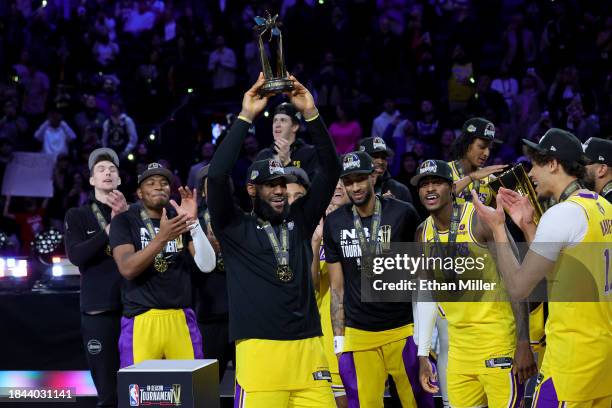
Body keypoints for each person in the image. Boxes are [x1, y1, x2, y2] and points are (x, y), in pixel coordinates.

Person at [207, 73, 340, 407]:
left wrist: (311, 113)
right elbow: (218, 174)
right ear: (253, 189)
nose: (280, 191)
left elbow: (332, 168)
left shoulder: (300, 219)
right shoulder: (233, 227)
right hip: (259, 354)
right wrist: (245, 117)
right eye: (271, 185)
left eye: (283, 184)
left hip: (309, 352)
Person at [473, 128, 612, 407]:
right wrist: (528, 225)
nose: (531, 173)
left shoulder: (562, 214)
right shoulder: (602, 206)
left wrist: (498, 230)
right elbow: (559, 270)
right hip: (602, 358)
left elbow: (519, 286)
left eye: (536, 164)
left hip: (570, 364)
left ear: (553, 163)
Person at [411, 160, 536, 408]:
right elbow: (425, 295)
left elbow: (517, 282)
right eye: (424, 185)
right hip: (458, 351)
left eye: (436, 182)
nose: (429, 189)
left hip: (498, 344)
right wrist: (423, 353)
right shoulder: (421, 233)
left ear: (452, 187)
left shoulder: (481, 220)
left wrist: (524, 343)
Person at [324, 150, 432, 407]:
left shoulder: (403, 213)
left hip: (403, 329)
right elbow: (336, 288)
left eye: (360, 178)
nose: (355, 186)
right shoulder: (335, 223)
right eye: (348, 181)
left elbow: (422, 276)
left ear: (373, 176)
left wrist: (426, 339)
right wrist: (339, 342)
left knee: (418, 403)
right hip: (359, 334)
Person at [110, 162, 216, 367]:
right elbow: (128, 269)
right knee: (140, 394)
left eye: (164, 183)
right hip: (142, 319)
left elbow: (208, 265)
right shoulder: (124, 221)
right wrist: (161, 239)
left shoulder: (180, 219)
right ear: (139, 192)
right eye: (151, 183)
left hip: (180, 317)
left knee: (190, 392)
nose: (159, 186)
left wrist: (193, 223)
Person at [64, 148, 128, 407]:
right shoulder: (77, 215)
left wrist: (123, 220)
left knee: (141, 387)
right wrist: (109, 230)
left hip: (134, 310)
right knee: (108, 392)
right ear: (91, 181)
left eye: (112, 169)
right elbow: (77, 256)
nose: (108, 172)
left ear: (120, 179)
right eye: (100, 169)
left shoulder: (134, 213)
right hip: (98, 311)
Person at [193, 164, 234, 381]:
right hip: (209, 317)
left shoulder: (242, 220)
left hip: (242, 317)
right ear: (202, 192)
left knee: (250, 384)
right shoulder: (193, 224)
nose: (218, 189)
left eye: (223, 184)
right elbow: (192, 274)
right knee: (206, 388)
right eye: (212, 185)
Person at [312, 180, 350, 407]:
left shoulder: (364, 226)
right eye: (332, 182)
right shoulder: (314, 228)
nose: (337, 187)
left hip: (361, 332)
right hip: (325, 337)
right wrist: (316, 241)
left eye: (344, 182)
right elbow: (312, 286)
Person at [255, 102, 320, 181]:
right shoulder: (264, 155)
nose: (277, 124)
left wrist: (287, 163)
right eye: (275, 120)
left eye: (283, 120)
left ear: (295, 127)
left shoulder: (310, 153)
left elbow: (311, 187)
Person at [449, 118, 506, 205]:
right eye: (482, 147)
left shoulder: (491, 180)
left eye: (489, 148)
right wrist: (472, 177)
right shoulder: (445, 171)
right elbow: (441, 197)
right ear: (466, 144)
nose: (486, 153)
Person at [358, 136, 413, 203]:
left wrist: (394, 207)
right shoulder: (350, 188)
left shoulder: (400, 190)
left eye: (383, 157)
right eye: (375, 156)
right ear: (362, 159)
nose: (381, 162)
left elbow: (409, 213)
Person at [582, 137, 612, 203]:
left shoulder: (608, 204)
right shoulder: (604, 199)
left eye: (583, 162)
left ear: (602, 169)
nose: (579, 168)